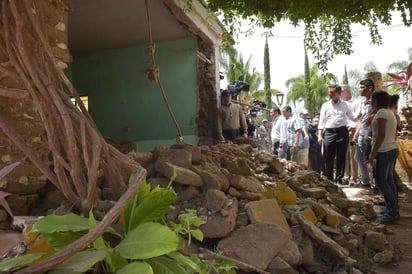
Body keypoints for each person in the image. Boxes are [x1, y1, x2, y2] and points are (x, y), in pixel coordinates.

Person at [365, 91, 399, 223]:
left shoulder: (381, 113)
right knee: (389, 181)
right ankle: (393, 207)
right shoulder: (389, 112)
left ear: (376, 101)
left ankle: (392, 212)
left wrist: (372, 153)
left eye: (372, 100)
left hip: (384, 150)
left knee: (381, 181)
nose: (371, 102)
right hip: (391, 148)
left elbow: (381, 135)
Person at [318, 84, 357, 185]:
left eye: (332, 92)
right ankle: (330, 180)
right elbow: (321, 122)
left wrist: (362, 115)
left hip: (342, 132)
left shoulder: (345, 105)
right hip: (329, 133)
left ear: (339, 93)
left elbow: (353, 117)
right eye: (329, 92)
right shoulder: (325, 105)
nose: (329, 94)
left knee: (341, 156)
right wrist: (320, 135)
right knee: (328, 157)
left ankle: (339, 179)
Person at [352, 79, 375, 188]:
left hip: (371, 136)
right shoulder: (362, 101)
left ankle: (375, 183)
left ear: (369, 88)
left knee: (371, 159)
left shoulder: (376, 101)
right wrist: (355, 135)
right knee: (358, 157)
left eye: (362, 87)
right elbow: (360, 119)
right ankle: (365, 181)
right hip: (362, 134)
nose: (359, 89)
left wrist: (370, 134)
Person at [341, 85, 361, 184]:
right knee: (344, 154)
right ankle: (345, 176)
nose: (341, 93)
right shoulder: (341, 103)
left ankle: (354, 177)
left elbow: (358, 117)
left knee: (353, 154)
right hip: (343, 130)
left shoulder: (356, 102)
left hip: (353, 129)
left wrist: (352, 126)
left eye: (342, 91)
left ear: (348, 92)